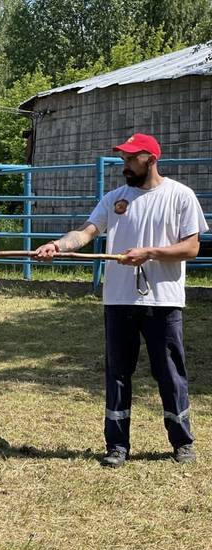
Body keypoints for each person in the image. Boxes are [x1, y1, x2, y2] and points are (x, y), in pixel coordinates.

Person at [35, 133, 209, 468]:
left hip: (163, 302)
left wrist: (150, 253)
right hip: (118, 300)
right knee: (117, 373)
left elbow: (191, 248)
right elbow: (86, 233)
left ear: (151, 159)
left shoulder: (180, 196)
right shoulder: (114, 198)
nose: (124, 164)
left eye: (131, 159)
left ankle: (182, 442)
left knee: (170, 373)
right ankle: (116, 445)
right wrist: (58, 245)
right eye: (123, 159)